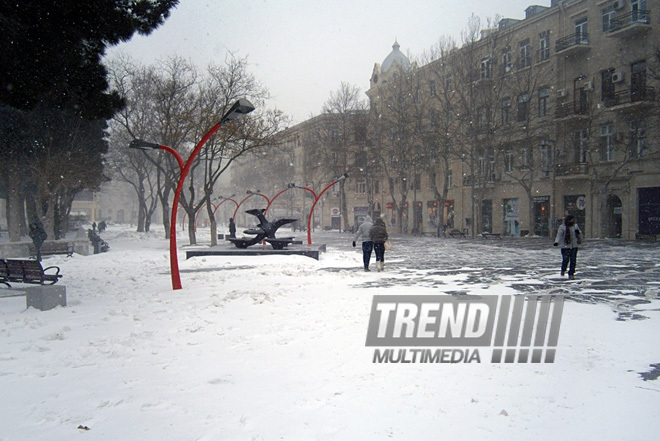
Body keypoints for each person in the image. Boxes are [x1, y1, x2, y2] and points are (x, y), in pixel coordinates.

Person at [554, 215, 582, 279]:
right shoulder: (562, 227)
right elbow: (559, 235)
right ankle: (563, 270)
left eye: (573, 219)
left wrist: (578, 233)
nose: (573, 221)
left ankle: (571, 273)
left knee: (573, 260)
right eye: (571, 219)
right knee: (565, 259)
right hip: (565, 246)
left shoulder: (575, 226)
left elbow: (580, 234)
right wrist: (556, 242)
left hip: (574, 245)